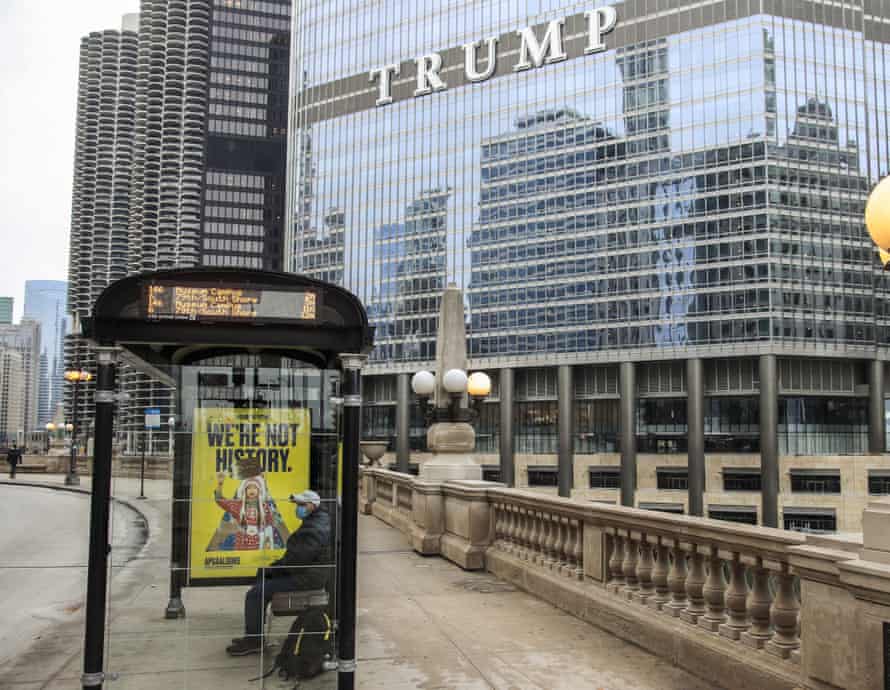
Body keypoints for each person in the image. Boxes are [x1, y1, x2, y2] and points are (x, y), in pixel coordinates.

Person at [226, 489, 331, 656]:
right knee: (263, 576)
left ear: (312, 505)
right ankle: (255, 633)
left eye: (301, 505)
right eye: (298, 505)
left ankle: (254, 640)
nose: (298, 508)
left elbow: (297, 560)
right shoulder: (317, 520)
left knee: (254, 594)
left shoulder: (315, 528)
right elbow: (298, 557)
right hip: (307, 572)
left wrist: (276, 568)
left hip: (307, 577)